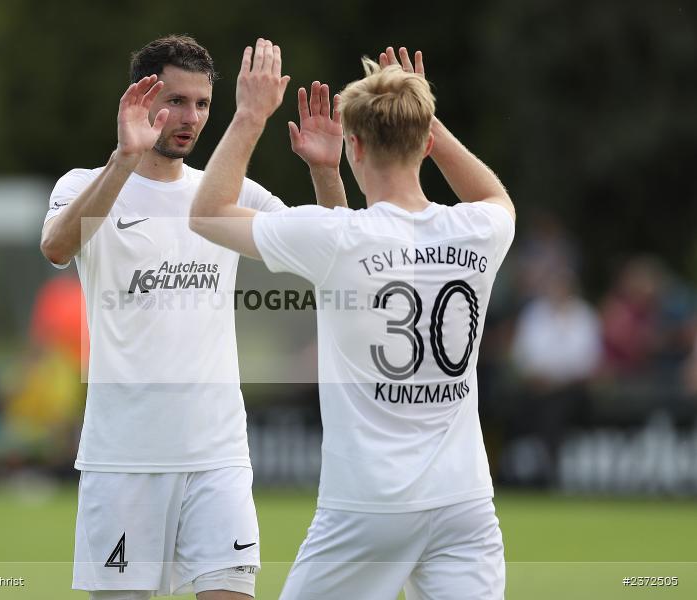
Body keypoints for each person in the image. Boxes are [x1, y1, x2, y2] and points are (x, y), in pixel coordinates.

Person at [190, 41, 515, 599]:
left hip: (368, 506)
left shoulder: (339, 239)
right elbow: (493, 194)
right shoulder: (479, 229)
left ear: (355, 146)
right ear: (428, 142)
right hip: (465, 504)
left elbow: (208, 213)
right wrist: (422, 115)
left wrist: (249, 116)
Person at [39, 35, 343, 600]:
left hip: (217, 452)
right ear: (142, 97)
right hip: (124, 456)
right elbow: (57, 247)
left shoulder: (226, 193)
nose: (192, 118)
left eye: (202, 104)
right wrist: (125, 160)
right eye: (177, 101)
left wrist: (327, 172)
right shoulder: (85, 184)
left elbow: (337, 253)